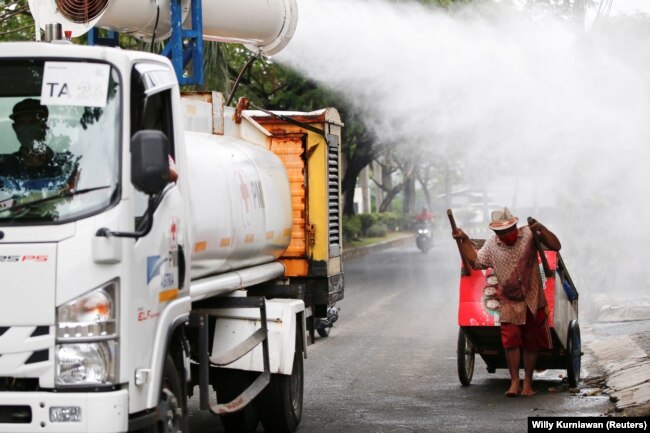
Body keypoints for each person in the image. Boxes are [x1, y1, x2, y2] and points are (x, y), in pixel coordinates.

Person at [452, 207, 561, 397]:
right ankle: (514, 382)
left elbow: (555, 245)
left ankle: (527, 383)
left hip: (533, 298)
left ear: (516, 226)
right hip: (509, 301)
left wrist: (541, 228)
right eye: (501, 232)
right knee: (510, 341)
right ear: (495, 232)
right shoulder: (492, 246)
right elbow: (475, 262)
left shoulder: (529, 234)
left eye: (508, 230)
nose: (505, 235)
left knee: (531, 342)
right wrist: (463, 239)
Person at [0, 98, 78, 189]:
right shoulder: (3, 167)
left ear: (45, 126)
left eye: (34, 122)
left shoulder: (68, 166)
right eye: (22, 123)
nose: (27, 129)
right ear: (15, 128)